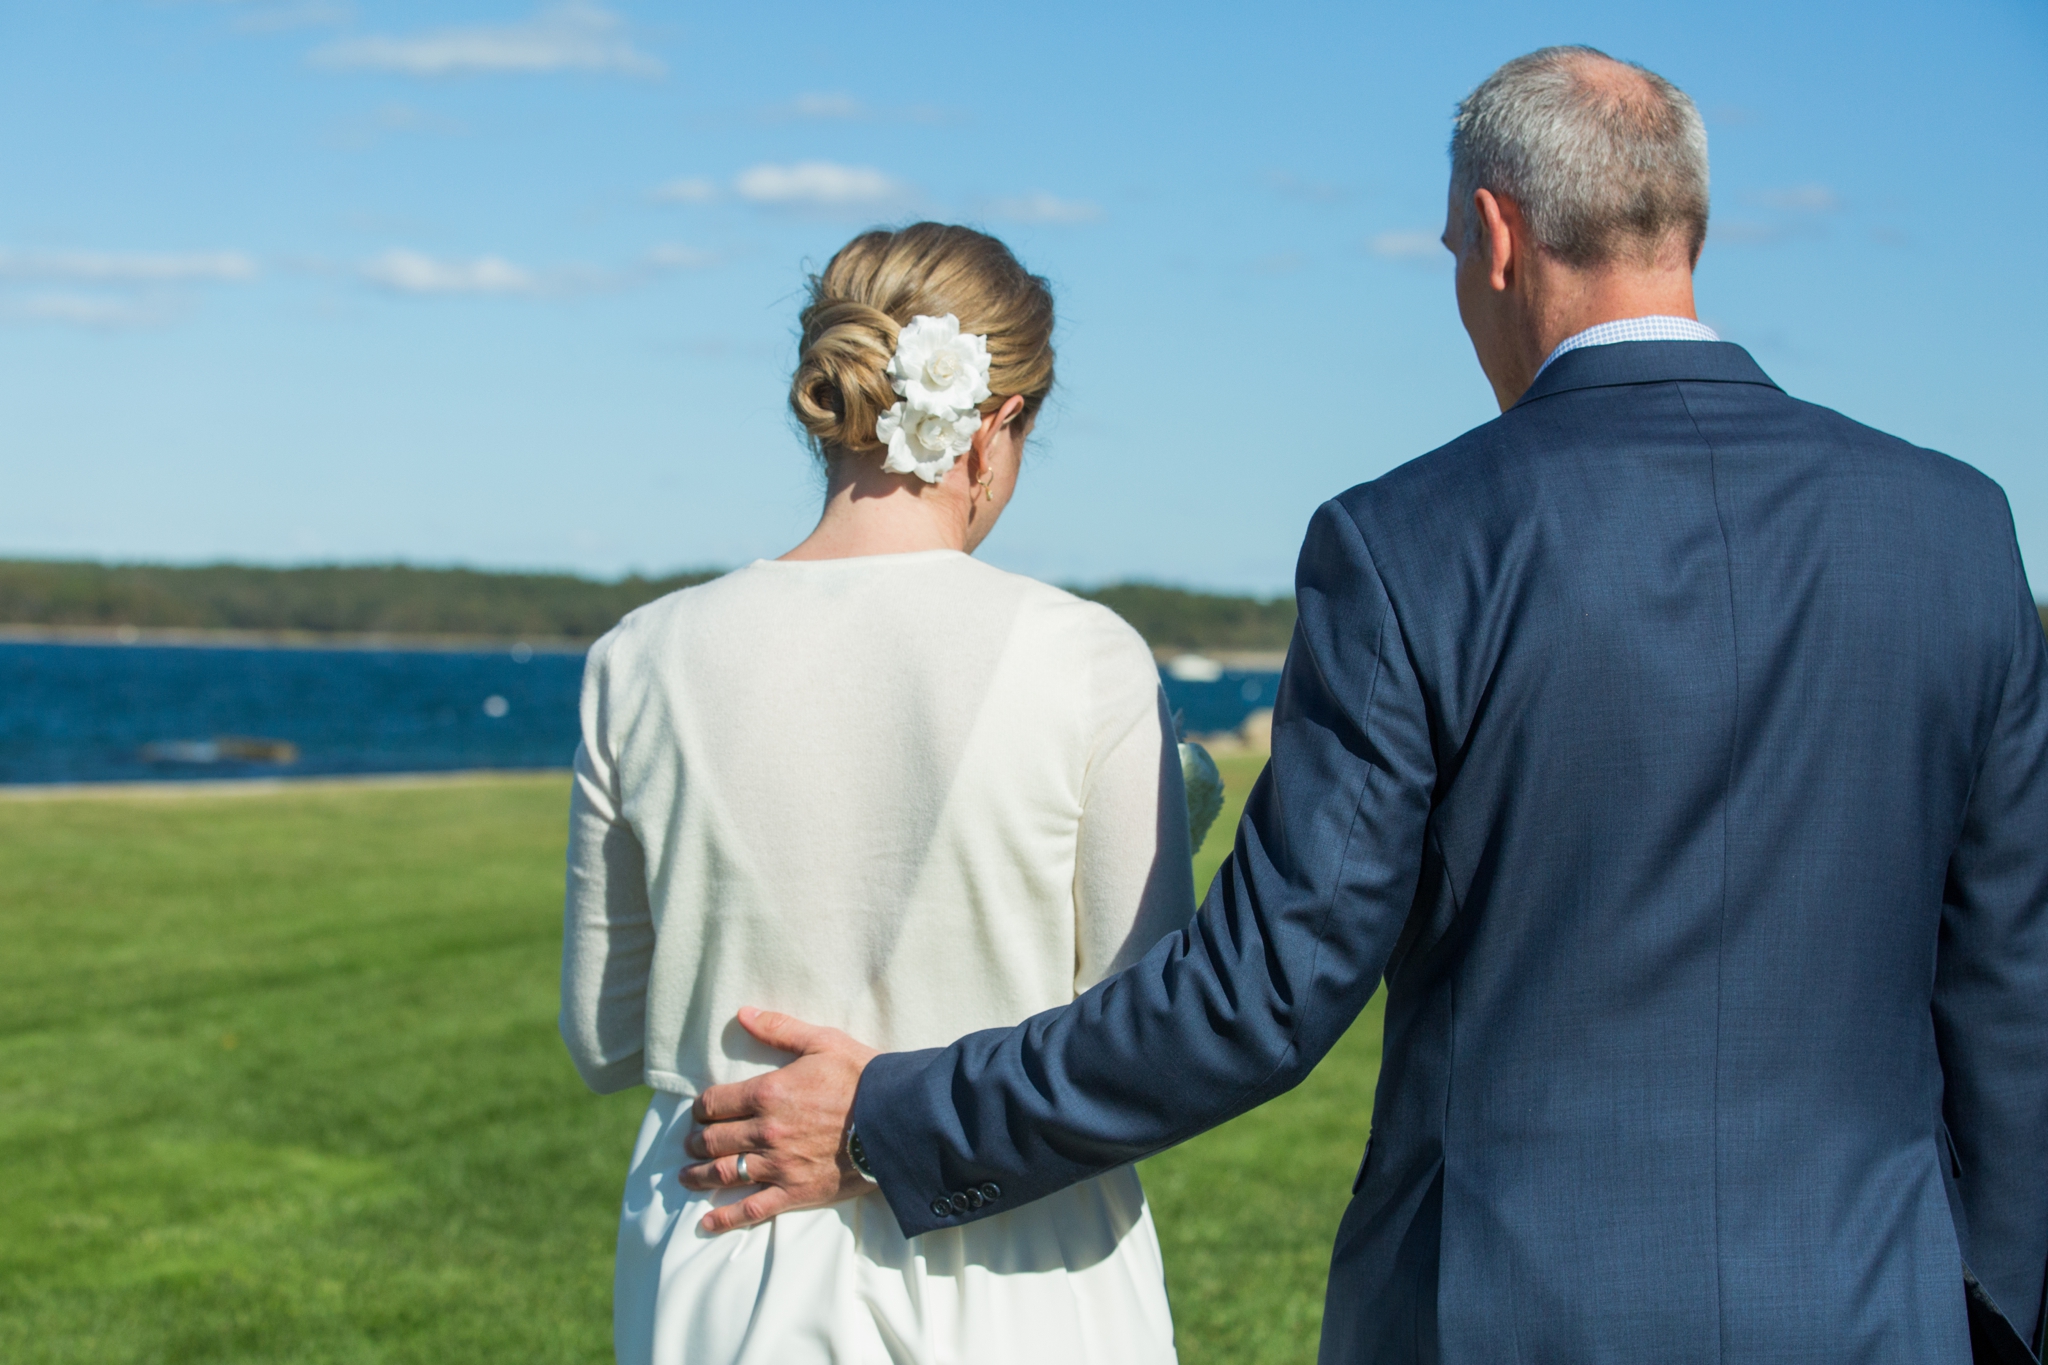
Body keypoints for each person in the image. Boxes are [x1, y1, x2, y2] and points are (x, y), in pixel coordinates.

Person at [680, 47, 2048, 1364]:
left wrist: (890, 1114)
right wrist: (1987, 1313)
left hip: (1501, 1317)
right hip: (1878, 1310)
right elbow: (2012, 1000)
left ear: (1498, 234)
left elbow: (1257, 999)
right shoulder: (1958, 531)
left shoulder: (1413, 541)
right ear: (1684, 221)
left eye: (1454, 253)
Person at [557, 223, 1196, 1364]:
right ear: (995, 429)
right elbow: (1139, 1040)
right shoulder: (1086, 657)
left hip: (727, 1236)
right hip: (1021, 1257)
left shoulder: (638, 656)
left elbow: (605, 1036)